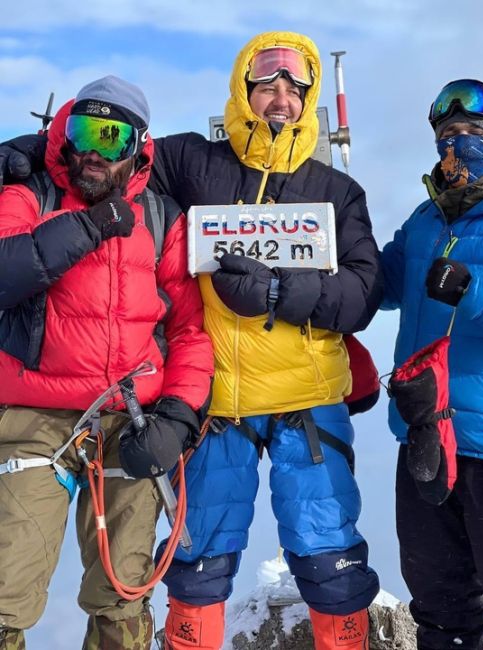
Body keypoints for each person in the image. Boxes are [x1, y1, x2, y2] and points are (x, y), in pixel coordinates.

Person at [0, 32, 382, 650]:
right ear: (244, 89)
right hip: (219, 405)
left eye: (294, 87)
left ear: (309, 101)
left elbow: (364, 293)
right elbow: (111, 149)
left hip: (303, 400)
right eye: (266, 84)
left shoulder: (337, 191)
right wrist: (20, 151)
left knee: (328, 552)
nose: (279, 98)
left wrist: (281, 294)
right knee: (199, 560)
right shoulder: (195, 162)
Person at [0, 75, 213, 649]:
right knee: (5, 586)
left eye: (112, 136)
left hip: (130, 420)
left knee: (123, 592)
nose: (94, 150)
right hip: (33, 416)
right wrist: (87, 227)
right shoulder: (30, 196)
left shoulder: (164, 218)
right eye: (84, 130)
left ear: (138, 147)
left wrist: (179, 417)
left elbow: (190, 330)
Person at [381, 78, 483, 650]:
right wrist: (326, 261)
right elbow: (385, 280)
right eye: (448, 133)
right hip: (425, 437)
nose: (458, 144)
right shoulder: (427, 217)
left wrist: (469, 288)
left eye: (473, 132)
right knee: (440, 603)